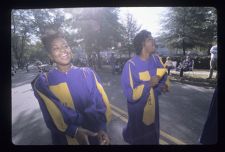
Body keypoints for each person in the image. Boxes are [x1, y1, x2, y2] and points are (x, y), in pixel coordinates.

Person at [31, 31, 111, 145]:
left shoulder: (88, 74)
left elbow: (101, 103)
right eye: (56, 48)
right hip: (65, 139)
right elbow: (52, 115)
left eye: (65, 46)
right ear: (50, 55)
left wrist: (103, 127)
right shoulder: (44, 82)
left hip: (95, 135)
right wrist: (75, 131)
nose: (63, 50)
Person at [121, 30, 170, 145]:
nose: (154, 41)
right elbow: (130, 94)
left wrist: (163, 86)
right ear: (142, 44)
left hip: (153, 110)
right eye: (149, 39)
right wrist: (148, 84)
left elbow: (163, 76)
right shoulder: (130, 65)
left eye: (153, 38)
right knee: (140, 139)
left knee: (153, 137)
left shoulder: (155, 59)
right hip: (138, 112)